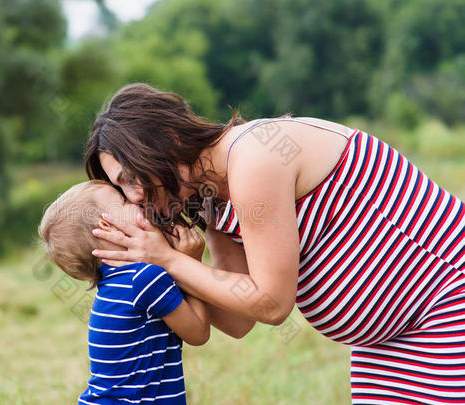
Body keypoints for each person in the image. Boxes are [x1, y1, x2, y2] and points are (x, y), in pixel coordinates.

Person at [85, 82, 465, 403]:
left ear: (168, 140)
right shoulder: (211, 197)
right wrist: (188, 262)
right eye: (121, 187)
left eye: (132, 177)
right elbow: (237, 322)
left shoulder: (254, 157)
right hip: (386, 343)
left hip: (447, 303)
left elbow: (271, 304)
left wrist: (170, 261)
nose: (132, 196)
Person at [38, 179, 210, 404]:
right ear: (106, 229)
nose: (135, 201)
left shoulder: (119, 285)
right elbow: (198, 333)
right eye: (122, 200)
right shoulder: (144, 279)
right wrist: (191, 262)